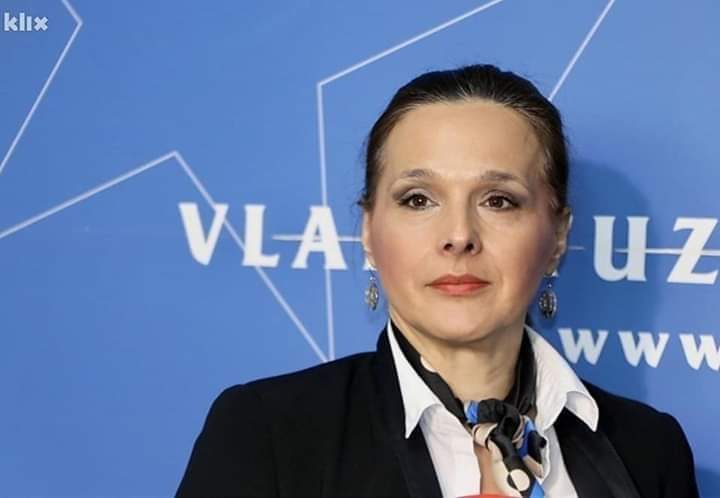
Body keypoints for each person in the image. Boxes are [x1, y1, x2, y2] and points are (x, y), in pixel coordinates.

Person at [176, 65, 699, 498]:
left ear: (558, 235)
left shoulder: (648, 449)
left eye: (499, 201)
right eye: (418, 199)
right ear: (368, 230)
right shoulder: (267, 434)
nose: (458, 236)